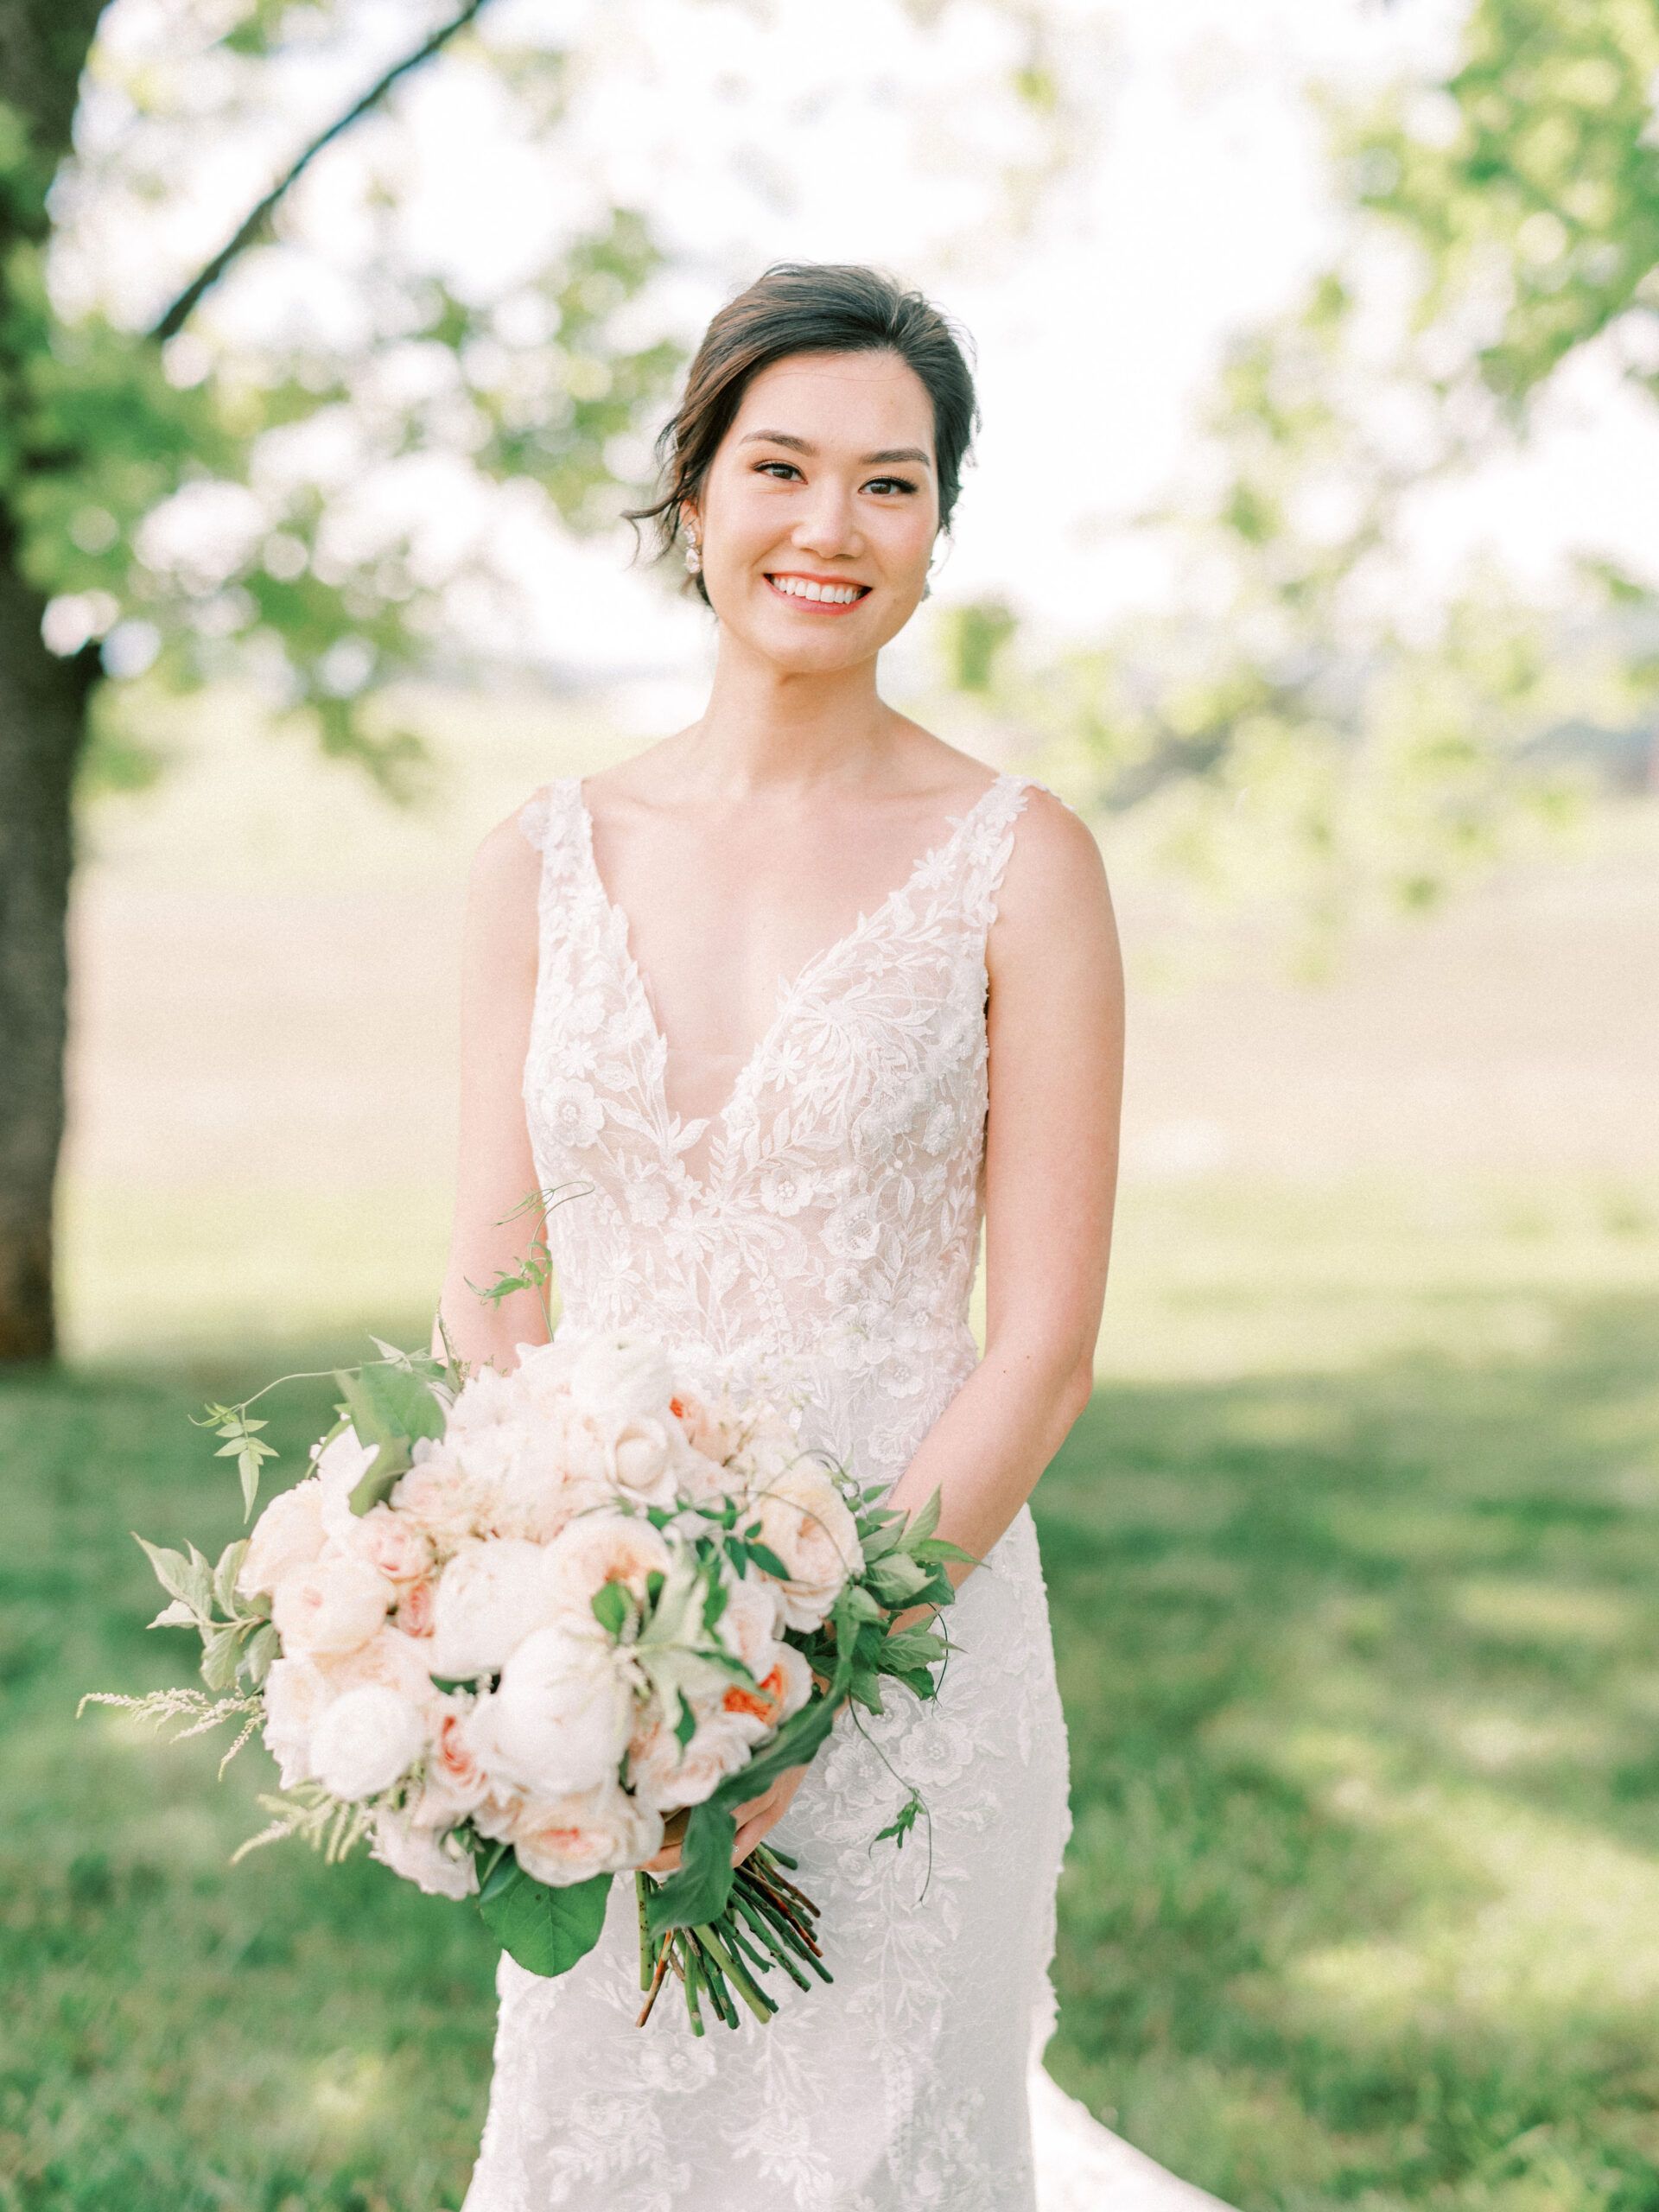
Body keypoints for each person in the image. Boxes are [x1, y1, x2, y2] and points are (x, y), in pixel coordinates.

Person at [436, 262, 1224, 2210]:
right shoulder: (531, 862)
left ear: (939, 530)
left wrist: (817, 1669)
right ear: (691, 496)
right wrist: (550, 1623)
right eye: (782, 466)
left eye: (894, 481)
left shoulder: (1023, 865)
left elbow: (1040, 1342)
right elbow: (492, 1276)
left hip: (912, 1652)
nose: (831, 526)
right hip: (607, 1666)